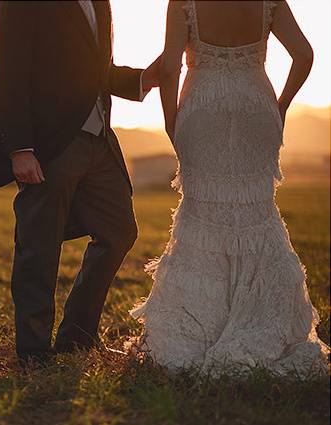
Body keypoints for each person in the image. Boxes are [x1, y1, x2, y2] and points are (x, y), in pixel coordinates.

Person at [0, 1, 160, 366]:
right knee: (38, 242)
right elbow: (10, 73)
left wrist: (144, 79)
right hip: (48, 143)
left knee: (119, 231)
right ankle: (33, 351)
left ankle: (76, 338)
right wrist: (20, 148)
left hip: (100, 139)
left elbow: (96, 70)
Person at [129, 0, 329, 375]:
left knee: (202, 211)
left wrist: (171, 120)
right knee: (257, 210)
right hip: (257, 106)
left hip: (203, 109)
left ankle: (199, 329)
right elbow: (304, 54)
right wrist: (281, 106)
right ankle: (259, 319)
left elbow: (170, 66)